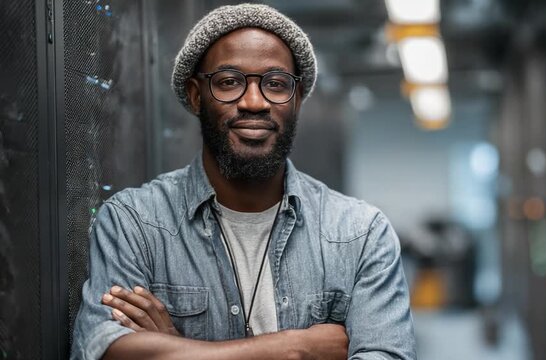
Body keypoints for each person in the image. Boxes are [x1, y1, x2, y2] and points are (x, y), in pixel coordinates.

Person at [70, 4, 416, 359]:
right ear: (195, 95)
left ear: (297, 99)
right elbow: (103, 349)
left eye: (277, 84)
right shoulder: (134, 223)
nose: (254, 102)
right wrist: (294, 348)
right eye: (229, 82)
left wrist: (177, 348)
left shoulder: (360, 234)